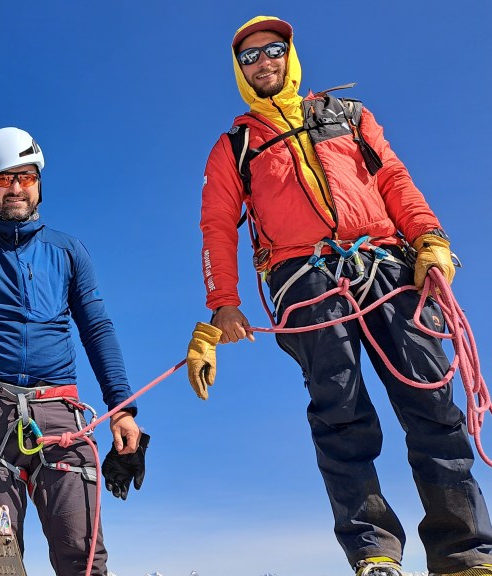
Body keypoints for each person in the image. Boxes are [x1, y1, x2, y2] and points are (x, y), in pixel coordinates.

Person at [191, 15, 492, 576]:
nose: (264, 62)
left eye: (273, 50)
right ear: (239, 70)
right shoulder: (233, 148)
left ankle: (465, 554)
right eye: (250, 56)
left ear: (291, 54)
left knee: (431, 403)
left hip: (386, 267)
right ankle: (374, 551)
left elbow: (393, 179)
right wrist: (222, 304)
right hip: (304, 281)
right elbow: (215, 226)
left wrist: (429, 238)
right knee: (340, 413)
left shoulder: (350, 117)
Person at [0, 127, 145, 576]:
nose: (15, 187)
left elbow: (97, 327)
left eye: (24, 177)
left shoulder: (68, 251)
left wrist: (122, 408)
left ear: (38, 180)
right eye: (3, 179)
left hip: (59, 409)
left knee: (83, 551)